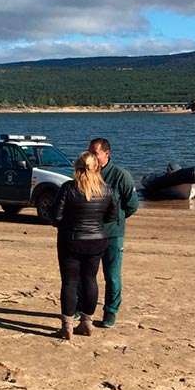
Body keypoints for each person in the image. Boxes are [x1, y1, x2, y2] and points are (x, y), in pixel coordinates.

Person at [52, 152, 118, 340]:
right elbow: (112, 216)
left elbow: (55, 216)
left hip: (71, 240)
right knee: (90, 279)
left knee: (70, 282)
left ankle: (67, 325)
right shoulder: (106, 190)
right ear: (97, 168)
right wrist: (95, 224)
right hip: (96, 240)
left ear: (76, 168)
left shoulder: (68, 188)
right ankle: (87, 322)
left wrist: (66, 225)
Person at [88, 137, 139, 328]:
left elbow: (132, 205)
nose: (91, 156)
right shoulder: (85, 173)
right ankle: (81, 310)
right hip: (89, 233)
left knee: (112, 276)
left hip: (112, 234)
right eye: (89, 152)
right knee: (86, 275)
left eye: (95, 153)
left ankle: (110, 312)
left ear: (106, 154)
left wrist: (116, 219)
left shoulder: (121, 176)